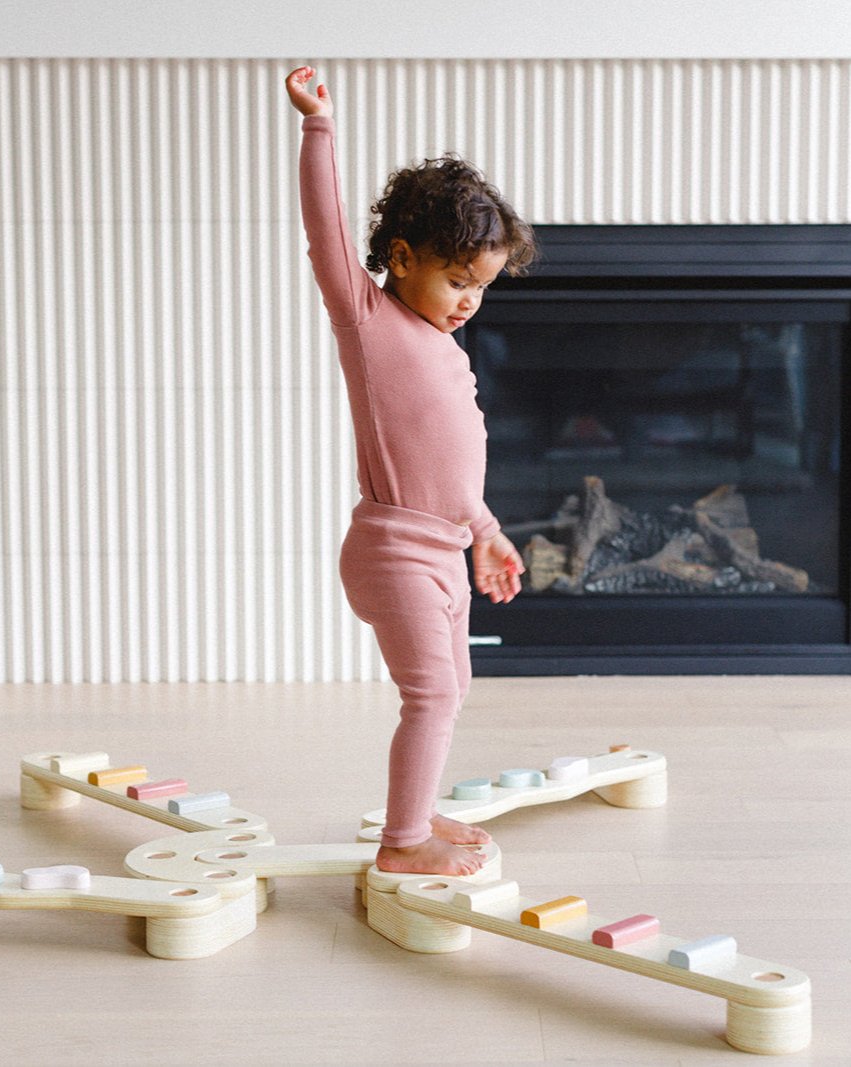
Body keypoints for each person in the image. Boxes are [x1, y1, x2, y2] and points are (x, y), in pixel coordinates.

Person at [285, 67, 537, 876]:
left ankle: (415, 810)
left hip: (444, 549)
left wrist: (487, 534)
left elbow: (454, 464)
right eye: (457, 280)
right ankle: (402, 846)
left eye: (481, 287)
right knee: (428, 696)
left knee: (452, 691)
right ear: (401, 255)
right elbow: (325, 234)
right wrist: (318, 128)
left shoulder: (447, 348)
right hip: (392, 551)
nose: (469, 301)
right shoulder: (368, 320)